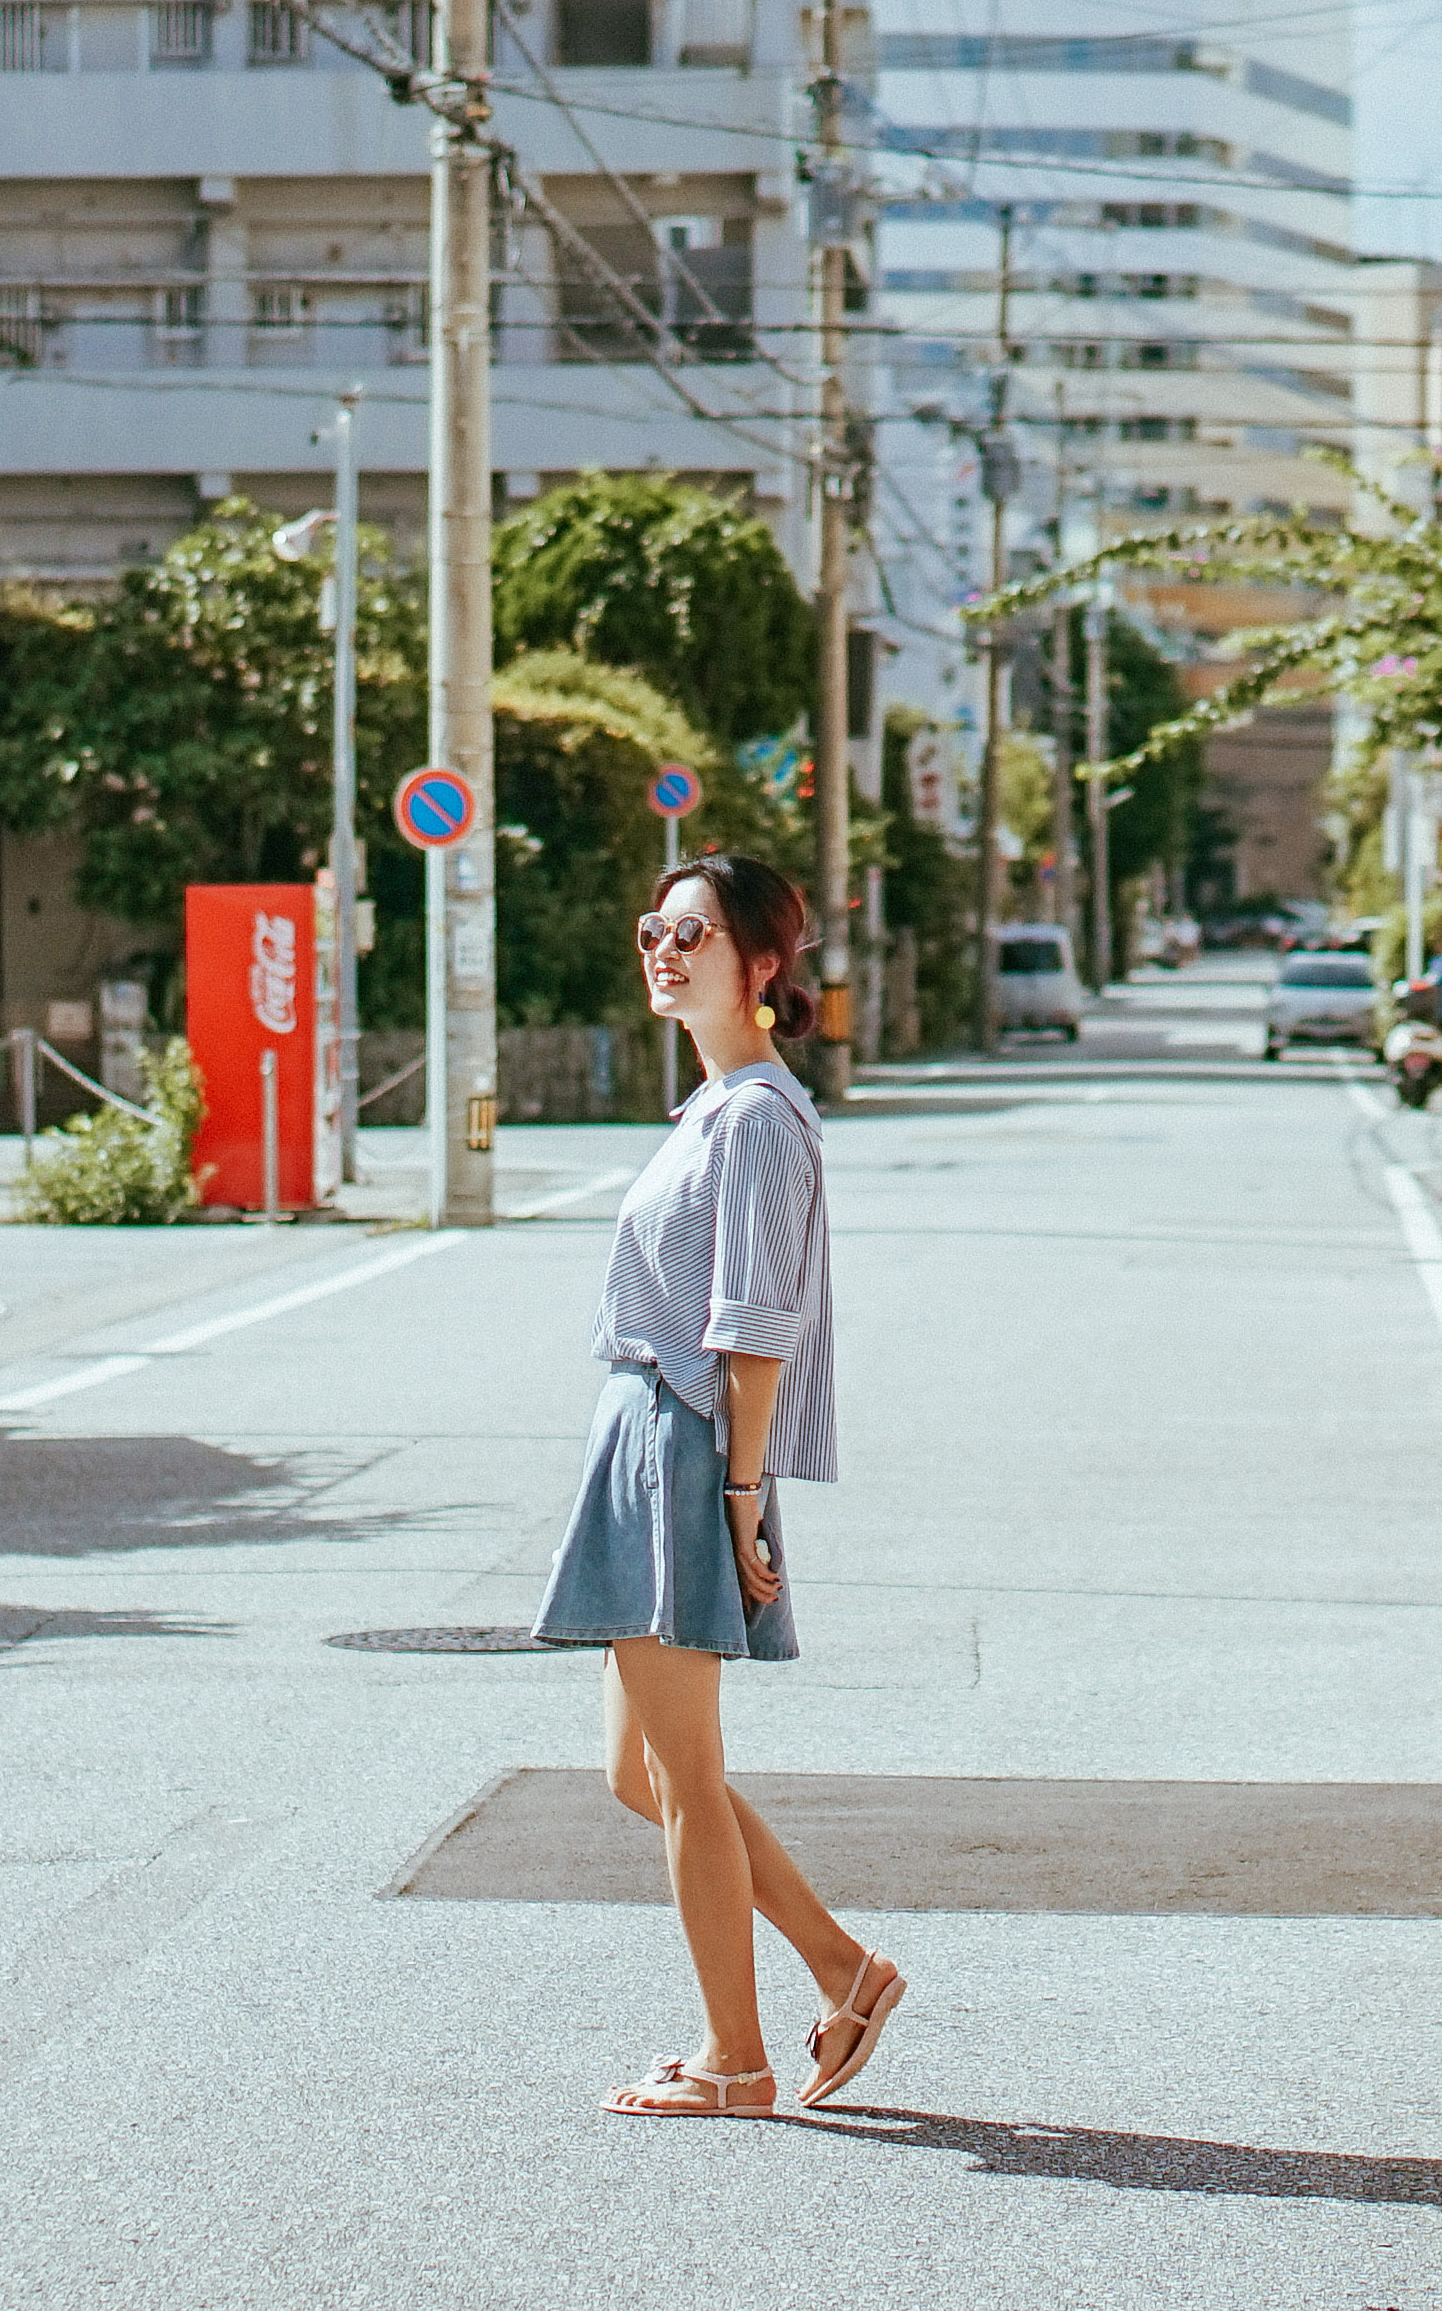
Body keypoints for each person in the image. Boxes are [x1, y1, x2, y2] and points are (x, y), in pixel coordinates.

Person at [530, 849, 905, 2119]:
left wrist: (740, 1497)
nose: (664, 949)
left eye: (693, 933)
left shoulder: (757, 1119)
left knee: (685, 1777)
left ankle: (734, 2059)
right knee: (638, 1774)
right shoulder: (710, 1110)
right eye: (653, 927)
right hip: (646, 1434)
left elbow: (754, 1327)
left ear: (762, 966)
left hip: (685, 1439)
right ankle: (844, 1966)